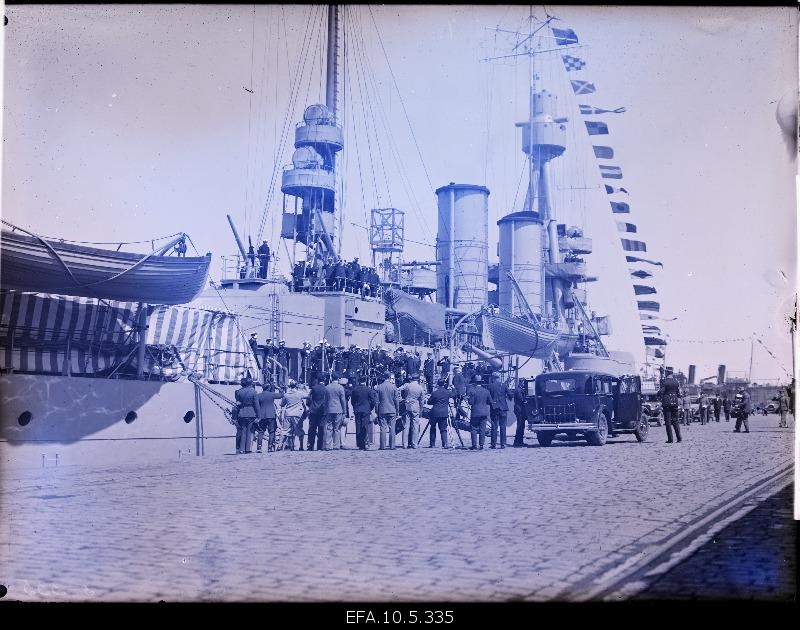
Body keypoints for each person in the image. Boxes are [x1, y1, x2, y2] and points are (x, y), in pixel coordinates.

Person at [350, 376, 378, 450]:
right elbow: (373, 401)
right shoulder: (369, 390)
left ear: (359, 381)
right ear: (365, 381)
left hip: (357, 409)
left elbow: (352, 401)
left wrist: (355, 407)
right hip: (366, 410)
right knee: (365, 426)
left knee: (358, 426)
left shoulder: (355, 389)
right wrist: (370, 408)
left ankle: (359, 443)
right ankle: (365, 442)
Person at [233, 376, 260, 454]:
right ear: (251, 383)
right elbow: (256, 405)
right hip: (251, 412)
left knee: (243, 431)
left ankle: (241, 449)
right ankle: (248, 449)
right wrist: (258, 415)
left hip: (241, 412)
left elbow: (237, 402)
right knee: (250, 431)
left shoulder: (239, 392)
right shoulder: (253, 392)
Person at [255, 382, 284, 453]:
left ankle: (259, 447)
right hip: (271, 415)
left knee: (261, 432)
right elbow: (281, 395)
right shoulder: (271, 394)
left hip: (262, 416)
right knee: (271, 432)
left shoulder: (258, 395)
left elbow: (257, 406)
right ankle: (270, 447)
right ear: (268, 388)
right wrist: (279, 388)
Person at [400, 373, 426, 449]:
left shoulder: (407, 385)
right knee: (415, 426)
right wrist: (421, 410)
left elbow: (398, 389)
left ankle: (405, 444)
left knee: (406, 425)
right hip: (416, 406)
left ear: (411, 378)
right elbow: (422, 401)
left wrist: (401, 399)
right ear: (418, 379)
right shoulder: (420, 388)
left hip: (407, 405)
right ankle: (415, 444)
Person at [375, 372, 400, 450]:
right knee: (392, 428)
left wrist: (377, 411)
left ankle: (382, 446)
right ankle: (392, 446)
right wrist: (397, 410)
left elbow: (377, 401)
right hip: (392, 409)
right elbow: (396, 400)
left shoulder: (379, 387)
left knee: (383, 428)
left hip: (382, 410)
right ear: (389, 377)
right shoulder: (394, 387)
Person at [428, 379, 455, 448]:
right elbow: (455, 395)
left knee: (433, 428)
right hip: (443, 413)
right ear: (444, 384)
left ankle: (432, 444)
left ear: (438, 384)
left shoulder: (435, 393)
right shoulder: (447, 392)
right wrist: (453, 388)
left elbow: (429, 402)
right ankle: (444, 444)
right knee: (443, 429)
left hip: (435, 412)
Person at [281, 380, 307, 451]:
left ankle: (280, 446)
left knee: (285, 430)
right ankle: (301, 446)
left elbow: (282, 404)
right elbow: (308, 395)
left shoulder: (286, 394)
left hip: (288, 414)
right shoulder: (300, 394)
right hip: (297, 414)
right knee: (299, 430)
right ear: (296, 386)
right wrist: (304, 387)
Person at [658, 367, 682, 443]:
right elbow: (678, 393)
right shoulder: (676, 382)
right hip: (675, 402)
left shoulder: (665, 382)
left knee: (668, 422)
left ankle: (670, 439)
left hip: (667, 403)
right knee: (676, 421)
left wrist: (658, 394)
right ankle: (679, 438)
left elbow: (661, 391)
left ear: (667, 373)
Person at [468, 375, 492, 450]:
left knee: (474, 429)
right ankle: (481, 445)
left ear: (474, 382)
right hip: (484, 412)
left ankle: (474, 445)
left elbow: (470, 402)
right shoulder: (486, 391)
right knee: (482, 429)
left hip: (475, 412)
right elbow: (489, 401)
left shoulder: (472, 391)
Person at [324, 372, 347, 450]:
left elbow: (325, 400)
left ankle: (327, 445)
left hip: (329, 409)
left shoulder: (327, 387)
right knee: (337, 428)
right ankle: (336, 445)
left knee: (329, 428)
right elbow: (343, 400)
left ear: (331, 378)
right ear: (338, 379)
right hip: (338, 409)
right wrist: (345, 411)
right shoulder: (340, 387)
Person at [486, 372, 510, 449]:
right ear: (499, 377)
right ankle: (503, 444)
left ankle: (494, 444)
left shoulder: (490, 386)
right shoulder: (504, 385)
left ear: (493, 378)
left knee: (494, 426)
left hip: (494, 408)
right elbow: (510, 395)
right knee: (503, 426)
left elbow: (488, 398)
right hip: (503, 408)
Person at [306, 376, 328, 451]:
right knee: (321, 428)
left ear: (318, 380)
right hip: (322, 411)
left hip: (313, 410)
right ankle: (320, 446)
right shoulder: (326, 388)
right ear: (324, 380)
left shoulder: (314, 388)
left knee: (312, 428)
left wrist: (309, 405)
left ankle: (310, 446)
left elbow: (309, 398)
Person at [512, 381, 528, 447]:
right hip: (520, 410)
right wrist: (525, 400)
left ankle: (519, 441)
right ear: (521, 383)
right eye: (523, 383)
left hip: (519, 409)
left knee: (521, 426)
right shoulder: (518, 390)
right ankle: (518, 442)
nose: (524, 384)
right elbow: (521, 399)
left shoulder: (519, 389)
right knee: (520, 426)